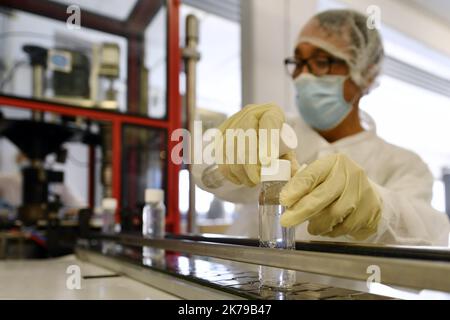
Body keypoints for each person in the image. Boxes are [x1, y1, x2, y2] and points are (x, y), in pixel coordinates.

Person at [193, 9, 450, 246]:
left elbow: (429, 233)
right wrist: (232, 141)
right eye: (298, 62)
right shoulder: (276, 133)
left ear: (365, 74)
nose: (303, 75)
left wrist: (378, 209)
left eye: (321, 61)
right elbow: (202, 170)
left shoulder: (401, 164)